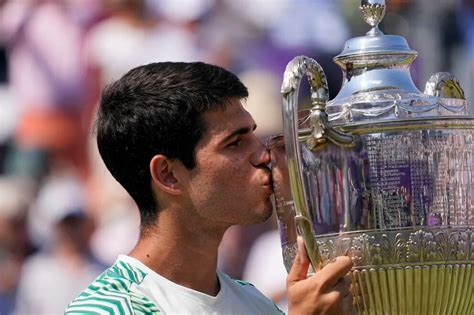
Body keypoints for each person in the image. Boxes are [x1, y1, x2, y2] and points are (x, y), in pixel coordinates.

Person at [65, 62, 353, 314]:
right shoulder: (106, 309)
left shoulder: (255, 303)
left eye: (253, 135)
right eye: (235, 143)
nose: (263, 154)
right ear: (168, 175)